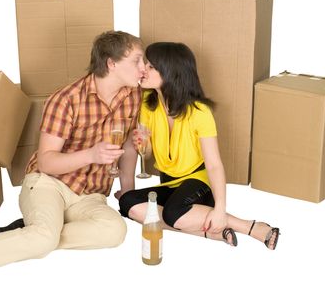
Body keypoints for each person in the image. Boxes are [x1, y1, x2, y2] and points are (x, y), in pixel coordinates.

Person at [0, 30, 145, 294]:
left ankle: (25, 234)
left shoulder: (133, 97)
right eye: (137, 61)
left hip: (90, 195)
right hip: (49, 184)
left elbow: (128, 143)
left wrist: (128, 185)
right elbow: (47, 162)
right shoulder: (66, 100)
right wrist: (91, 155)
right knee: (43, 239)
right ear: (111, 63)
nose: (143, 68)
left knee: (114, 232)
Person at [117, 42, 280, 249]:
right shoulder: (148, 105)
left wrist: (220, 208)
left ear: (170, 73)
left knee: (171, 213)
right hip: (169, 183)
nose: (143, 70)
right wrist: (143, 144)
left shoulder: (199, 112)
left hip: (197, 183)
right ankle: (212, 234)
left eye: (151, 66)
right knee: (127, 203)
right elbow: (147, 153)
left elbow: (213, 165)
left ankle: (249, 226)